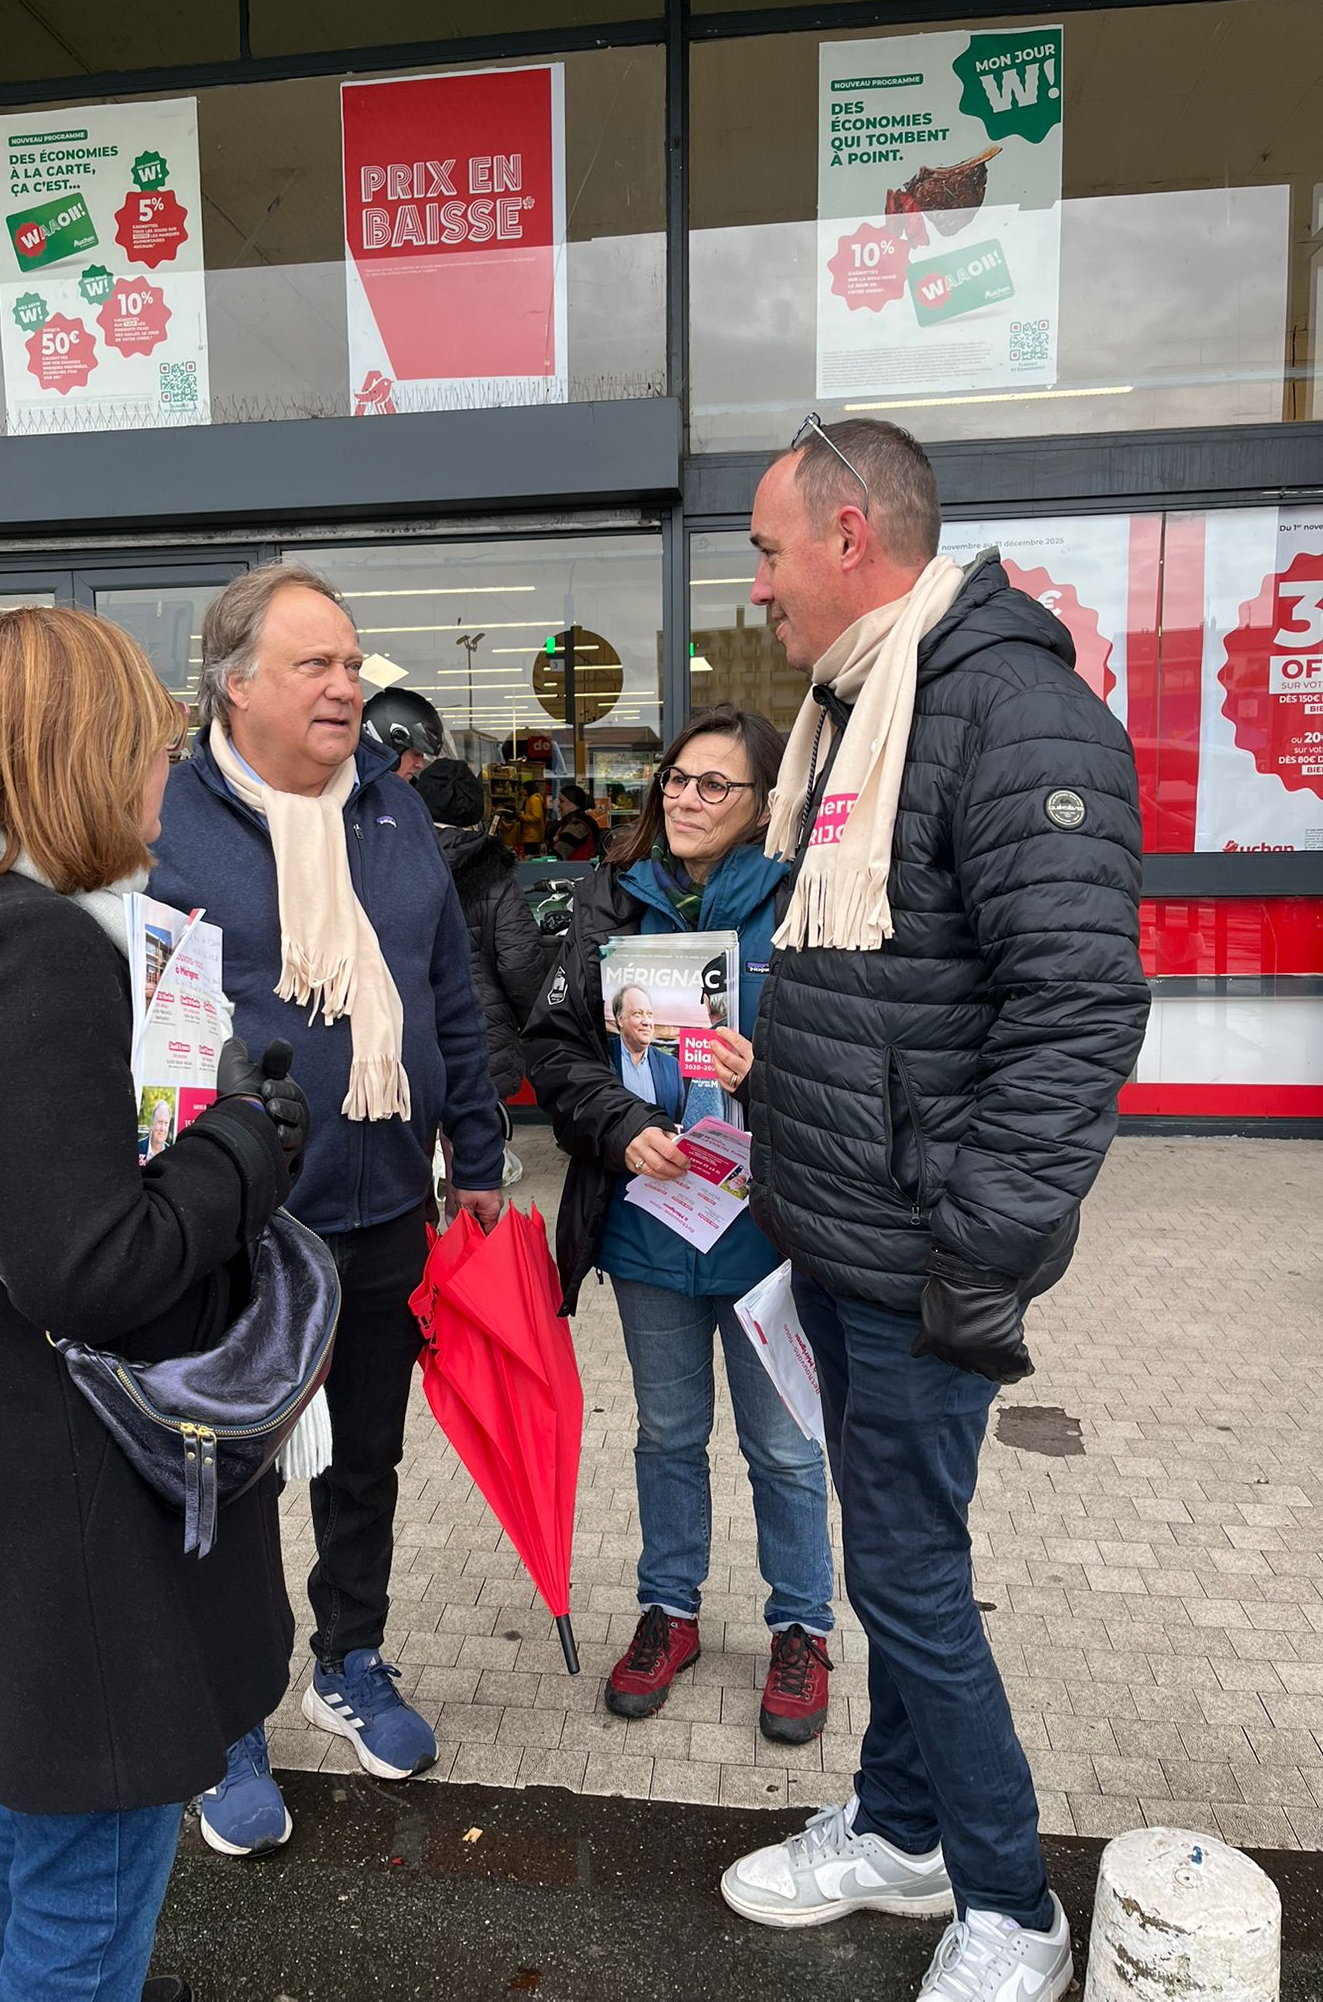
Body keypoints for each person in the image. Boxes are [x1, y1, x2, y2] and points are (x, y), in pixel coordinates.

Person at [718, 420, 1149, 2002]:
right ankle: (902, 1832)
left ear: (850, 537)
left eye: (768, 550)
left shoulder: (1011, 712)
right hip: (842, 1242)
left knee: (906, 1579)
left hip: (922, 1259)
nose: (756, 585)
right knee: (897, 1565)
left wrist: (979, 1242)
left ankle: (1012, 1905)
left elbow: (1079, 1014)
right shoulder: (863, 705)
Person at [0, 607, 308, 2002]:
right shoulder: (36, 950)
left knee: (37, 1829)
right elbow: (94, 1266)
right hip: (84, 1532)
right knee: (91, 1875)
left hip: (11, 1501)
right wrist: (249, 1141)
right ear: (75, 752)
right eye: (149, 738)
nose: (169, 763)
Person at [150, 564, 504, 1841]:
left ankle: (349, 1658)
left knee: (366, 1455)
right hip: (236, 1218)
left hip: (386, 1202)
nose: (349, 686)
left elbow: (445, 987)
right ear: (236, 684)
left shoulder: (391, 812)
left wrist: (477, 1147)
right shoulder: (167, 821)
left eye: (353, 663)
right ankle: (231, 1710)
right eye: (317, 664)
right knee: (233, 1463)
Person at [525, 705, 836, 1741]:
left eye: (715, 785)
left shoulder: (803, 904)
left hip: (767, 1234)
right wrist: (622, 1127)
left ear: (763, 803)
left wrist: (769, 1073)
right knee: (666, 1436)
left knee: (783, 1447)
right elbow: (556, 1049)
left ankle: (802, 1626)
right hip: (651, 1226)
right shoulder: (612, 900)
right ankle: (670, 1609)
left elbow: (860, 1064)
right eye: (677, 779)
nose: (686, 799)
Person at [415, 756, 546, 1104]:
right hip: (481, 1038)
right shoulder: (496, 878)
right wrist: (535, 1025)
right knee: (480, 1133)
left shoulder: (395, 863)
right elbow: (520, 963)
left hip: (409, 1037)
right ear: (477, 809)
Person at [608, 982, 685, 1125]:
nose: (647, 1022)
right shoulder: (603, 1057)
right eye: (638, 1014)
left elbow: (677, 1121)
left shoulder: (671, 1067)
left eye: (649, 1014)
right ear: (620, 1020)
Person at [361, 685, 444, 783]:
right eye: (416, 754)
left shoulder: (408, 790)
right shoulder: (350, 789)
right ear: (387, 748)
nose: (420, 765)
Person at [551, 781, 601, 860]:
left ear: (573, 805)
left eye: (561, 801)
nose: (558, 805)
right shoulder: (583, 822)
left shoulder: (577, 827)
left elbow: (558, 854)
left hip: (576, 867)